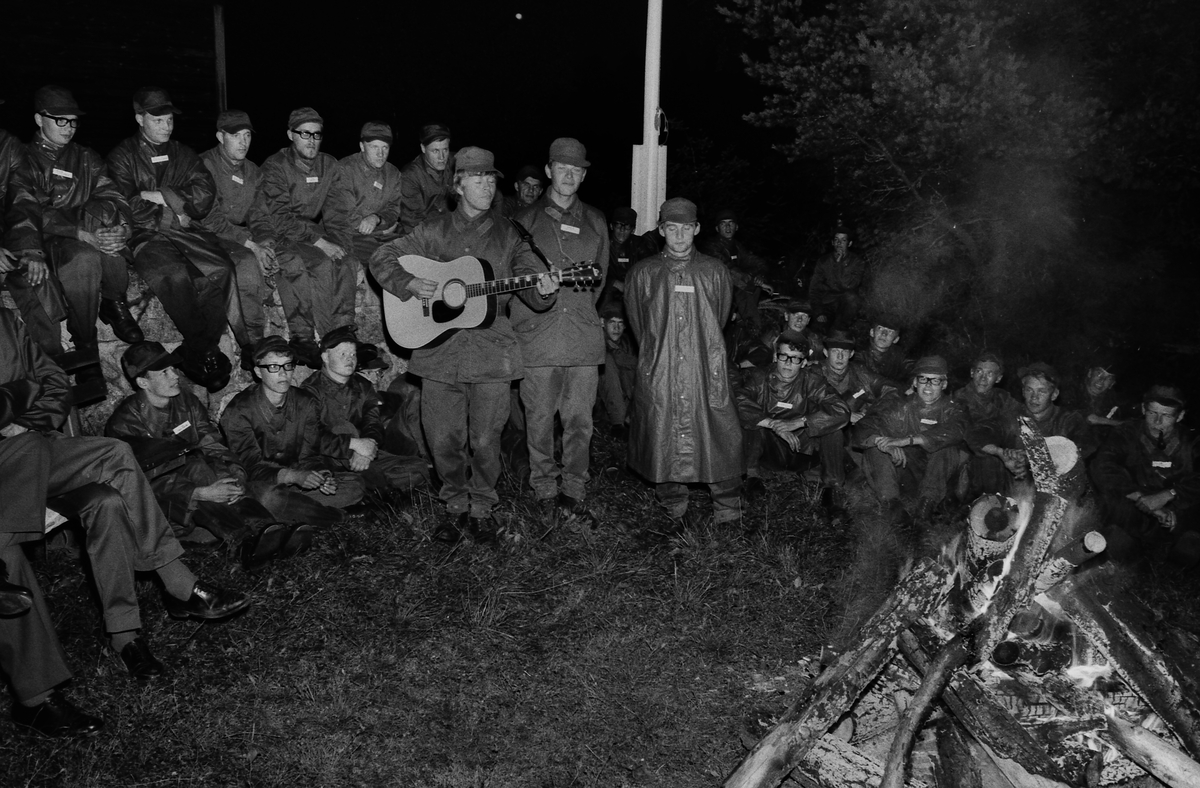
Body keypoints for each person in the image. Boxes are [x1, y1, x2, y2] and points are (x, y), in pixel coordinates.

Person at [0, 309, 250, 683]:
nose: (172, 376)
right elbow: (30, 389)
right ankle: (171, 596)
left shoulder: (6, 321)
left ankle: (125, 632)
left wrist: (24, 417)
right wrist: (17, 394)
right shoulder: (131, 413)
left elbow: (54, 381)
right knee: (102, 500)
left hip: (33, 443)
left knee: (113, 470)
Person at [370, 147, 557, 543]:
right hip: (438, 353)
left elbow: (531, 289)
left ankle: (483, 506)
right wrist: (408, 284)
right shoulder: (432, 230)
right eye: (477, 178)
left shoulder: (511, 234)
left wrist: (545, 289)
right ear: (458, 185)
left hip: (493, 352)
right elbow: (382, 255)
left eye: (491, 178)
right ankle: (454, 504)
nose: (487, 185)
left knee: (487, 438)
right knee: (443, 438)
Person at [105, 341, 310, 569]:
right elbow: (141, 484)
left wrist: (234, 475)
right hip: (165, 501)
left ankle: (269, 531)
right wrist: (199, 493)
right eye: (164, 372)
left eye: (173, 368)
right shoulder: (124, 425)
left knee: (204, 470)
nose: (175, 376)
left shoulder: (186, 402)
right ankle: (243, 542)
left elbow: (211, 443)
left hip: (197, 476)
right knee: (198, 477)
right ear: (143, 382)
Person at [4, 85, 142, 403]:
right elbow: (27, 209)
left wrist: (120, 226)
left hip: (85, 234)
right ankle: (86, 345)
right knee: (83, 259)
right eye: (60, 121)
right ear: (40, 119)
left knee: (109, 246)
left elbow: (111, 194)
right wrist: (77, 231)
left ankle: (112, 299)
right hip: (48, 240)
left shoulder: (85, 157)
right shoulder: (23, 158)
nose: (68, 128)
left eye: (72, 122)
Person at [624, 197, 744, 528]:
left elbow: (719, 318)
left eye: (686, 228)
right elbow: (638, 324)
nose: (679, 236)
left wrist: (701, 351)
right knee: (661, 433)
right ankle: (674, 505)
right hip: (660, 368)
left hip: (706, 367)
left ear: (697, 229)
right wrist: (658, 355)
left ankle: (728, 507)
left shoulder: (714, 271)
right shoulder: (643, 273)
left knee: (718, 430)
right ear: (661, 230)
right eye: (672, 228)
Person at [106, 86, 236, 392]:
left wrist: (163, 195)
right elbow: (125, 204)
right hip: (145, 236)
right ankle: (205, 351)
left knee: (220, 272)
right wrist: (173, 211)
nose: (166, 126)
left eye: (169, 120)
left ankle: (195, 349)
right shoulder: (122, 157)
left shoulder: (183, 153)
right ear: (139, 119)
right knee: (174, 275)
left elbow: (204, 195)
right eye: (158, 120)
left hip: (186, 233)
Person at [511, 138, 608, 522]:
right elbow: (516, 276)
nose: (569, 175)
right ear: (549, 170)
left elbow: (598, 279)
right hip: (538, 336)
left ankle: (574, 487)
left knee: (580, 420)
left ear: (583, 175)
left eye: (577, 170)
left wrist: (580, 310)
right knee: (538, 418)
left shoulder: (596, 221)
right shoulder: (524, 220)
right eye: (562, 168)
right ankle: (544, 487)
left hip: (582, 338)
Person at [219, 336, 366, 529]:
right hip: (263, 483)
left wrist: (321, 476)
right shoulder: (238, 411)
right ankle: (338, 518)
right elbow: (251, 467)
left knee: (355, 484)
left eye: (288, 366)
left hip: (299, 483)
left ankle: (292, 514)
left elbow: (310, 454)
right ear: (258, 372)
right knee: (268, 498)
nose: (283, 374)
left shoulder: (305, 402)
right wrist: (293, 477)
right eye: (273, 367)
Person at [249, 107, 352, 369]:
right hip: (277, 229)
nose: (311, 140)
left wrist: (341, 245)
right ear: (290, 135)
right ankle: (306, 338)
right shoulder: (276, 166)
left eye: (316, 135)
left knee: (345, 261)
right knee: (312, 263)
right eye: (304, 134)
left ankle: (343, 334)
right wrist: (321, 243)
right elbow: (281, 217)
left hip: (306, 230)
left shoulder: (329, 165)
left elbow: (336, 213)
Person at [301, 325, 429, 494]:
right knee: (343, 428)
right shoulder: (309, 390)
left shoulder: (363, 385)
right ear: (325, 356)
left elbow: (373, 422)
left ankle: (371, 488)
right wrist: (353, 444)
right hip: (331, 460)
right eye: (343, 354)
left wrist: (367, 446)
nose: (350, 359)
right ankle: (379, 489)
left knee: (419, 468)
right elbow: (311, 436)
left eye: (353, 354)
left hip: (366, 457)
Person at [197, 109, 274, 370]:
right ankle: (253, 343)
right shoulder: (204, 165)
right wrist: (250, 245)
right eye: (235, 136)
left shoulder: (253, 171)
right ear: (220, 136)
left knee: (278, 258)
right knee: (246, 262)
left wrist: (266, 244)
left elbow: (260, 215)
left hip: (237, 236)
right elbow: (210, 217)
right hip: (206, 235)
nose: (243, 142)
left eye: (247, 135)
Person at [1091, 385, 1200, 567]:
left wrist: (1169, 495)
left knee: (1192, 530)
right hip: (1136, 504)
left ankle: (1179, 559)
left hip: (1177, 507)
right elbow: (1103, 466)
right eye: (1152, 413)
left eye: (1166, 416)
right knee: (1111, 506)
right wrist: (1142, 499)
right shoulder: (1126, 433)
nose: (1157, 422)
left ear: (1180, 416)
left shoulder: (1192, 441)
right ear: (1143, 409)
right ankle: (1129, 557)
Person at [737, 330, 850, 504]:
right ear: (775, 357)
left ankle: (832, 491)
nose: (788, 364)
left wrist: (798, 422)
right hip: (769, 450)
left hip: (801, 450)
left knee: (833, 428)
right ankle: (751, 479)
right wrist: (773, 424)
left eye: (795, 358)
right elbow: (739, 401)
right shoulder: (759, 377)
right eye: (784, 357)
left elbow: (841, 410)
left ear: (804, 362)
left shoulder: (813, 381)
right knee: (750, 419)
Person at [853, 355, 968, 522]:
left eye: (935, 381)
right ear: (914, 383)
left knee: (947, 447)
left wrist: (908, 440)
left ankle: (925, 507)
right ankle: (893, 507)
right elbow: (864, 427)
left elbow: (957, 429)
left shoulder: (954, 409)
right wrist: (884, 444)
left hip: (937, 480)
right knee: (875, 446)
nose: (928, 385)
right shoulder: (899, 406)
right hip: (904, 472)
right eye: (923, 379)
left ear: (944, 384)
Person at [970, 362, 1098, 491]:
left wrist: (1030, 457)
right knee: (985, 462)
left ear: (1054, 394)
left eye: (1041, 391)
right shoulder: (1012, 417)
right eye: (1029, 390)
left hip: (1058, 490)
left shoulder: (1069, 420)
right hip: (1018, 489)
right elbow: (976, 434)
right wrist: (1001, 453)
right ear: (1023, 392)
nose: (1034, 397)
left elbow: (1082, 448)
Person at [814, 329, 899, 489]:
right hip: (816, 435)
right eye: (835, 351)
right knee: (833, 427)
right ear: (825, 352)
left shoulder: (859, 372)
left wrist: (872, 413)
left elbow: (890, 388)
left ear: (851, 354)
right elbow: (809, 406)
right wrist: (847, 415)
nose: (840, 357)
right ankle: (834, 484)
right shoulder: (814, 373)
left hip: (849, 438)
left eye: (845, 352)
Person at [323, 121, 403, 275]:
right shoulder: (344, 169)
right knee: (385, 262)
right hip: (346, 236)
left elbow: (393, 210)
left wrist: (377, 218)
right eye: (374, 147)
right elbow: (343, 215)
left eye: (385, 148)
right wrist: (382, 227)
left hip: (379, 235)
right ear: (362, 146)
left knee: (411, 256)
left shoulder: (393, 173)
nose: (380, 154)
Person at [956, 352, 1019, 496]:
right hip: (968, 452)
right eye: (979, 371)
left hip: (997, 451)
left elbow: (1020, 417)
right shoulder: (960, 398)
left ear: (998, 378)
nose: (983, 378)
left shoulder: (1003, 398)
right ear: (972, 373)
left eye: (990, 374)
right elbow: (968, 434)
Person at [698, 207, 771, 328]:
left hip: (733, 293)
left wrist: (760, 277)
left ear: (736, 227)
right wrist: (754, 281)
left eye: (731, 223)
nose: (727, 227)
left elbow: (758, 263)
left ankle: (744, 325)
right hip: (713, 292)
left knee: (752, 288)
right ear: (717, 228)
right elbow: (728, 269)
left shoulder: (737, 247)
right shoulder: (711, 247)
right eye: (723, 224)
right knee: (744, 288)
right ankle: (754, 328)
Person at [398, 123, 453, 235]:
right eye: (435, 151)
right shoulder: (409, 177)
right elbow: (413, 223)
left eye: (445, 150)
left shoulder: (455, 163)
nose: (442, 157)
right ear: (423, 148)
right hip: (424, 235)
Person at [809, 221, 866, 329]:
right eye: (836, 240)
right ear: (832, 243)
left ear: (849, 244)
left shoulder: (857, 262)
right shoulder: (823, 261)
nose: (839, 243)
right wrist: (818, 312)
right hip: (827, 303)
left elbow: (848, 285)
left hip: (846, 305)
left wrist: (840, 264)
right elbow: (814, 288)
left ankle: (841, 328)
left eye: (843, 240)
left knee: (852, 298)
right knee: (818, 329)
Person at [599, 206, 657, 313]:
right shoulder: (601, 244)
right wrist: (614, 283)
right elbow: (595, 271)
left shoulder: (640, 244)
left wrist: (631, 286)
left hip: (633, 292)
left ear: (633, 229)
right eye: (618, 225)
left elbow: (649, 268)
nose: (622, 230)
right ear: (611, 226)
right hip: (607, 293)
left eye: (627, 227)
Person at [596, 301, 636, 439]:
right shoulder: (596, 342)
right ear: (602, 323)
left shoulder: (627, 344)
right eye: (612, 322)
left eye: (620, 323)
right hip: (600, 405)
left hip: (626, 404)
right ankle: (619, 422)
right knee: (607, 361)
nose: (616, 328)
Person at [859, 315, 909, 386]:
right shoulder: (859, 354)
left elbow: (912, 369)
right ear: (872, 332)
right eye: (880, 328)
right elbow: (867, 377)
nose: (884, 334)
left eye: (890, 331)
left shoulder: (900, 356)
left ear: (896, 339)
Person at [778, 299, 823, 365]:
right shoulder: (773, 338)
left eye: (804, 316)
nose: (799, 319)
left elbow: (820, 365)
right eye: (796, 315)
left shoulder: (814, 342)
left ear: (808, 320)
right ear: (786, 316)